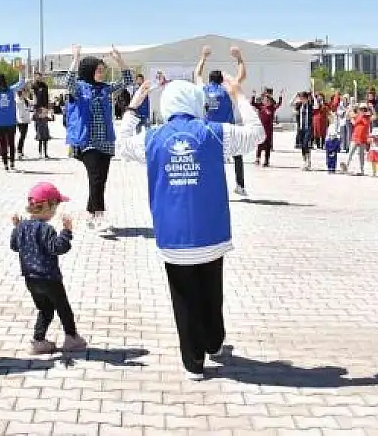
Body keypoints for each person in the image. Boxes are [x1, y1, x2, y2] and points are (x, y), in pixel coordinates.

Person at [116, 76, 264, 380]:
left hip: (172, 235)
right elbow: (256, 134)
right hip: (211, 230)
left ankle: (193, 362)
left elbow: (121, 144)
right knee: (212, 289)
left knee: (183, 297)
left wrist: (133, 105)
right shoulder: (214, 132)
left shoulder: (153, 138)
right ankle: (214, 342)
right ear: (196, 101)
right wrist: (238, 96)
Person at [10, 182, 87, 354]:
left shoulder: (22, 227)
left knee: (45, 309)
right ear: (47, 207)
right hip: (49, 278)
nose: (55, 212)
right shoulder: (46, 229)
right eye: (55, 207)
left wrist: (16, 228)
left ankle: (38, 340)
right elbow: (57, 248)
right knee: (63, 307)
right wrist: (66, 232)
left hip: (30, 278)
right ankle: (71, 337)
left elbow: (15, 246)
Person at [64, 45, 134, 227]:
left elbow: (127, 80)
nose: (102, 73)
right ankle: (100, 217)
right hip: (87, 142)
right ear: (88, 71)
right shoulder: (79, 89)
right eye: (98, 70)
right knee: (95, 177)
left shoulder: (105, 89)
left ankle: (91, 212)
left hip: (106, 142)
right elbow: (68, 81)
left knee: (100, 180)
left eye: (103, 70)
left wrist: (119, 59)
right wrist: (76, 58)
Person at [195, 45, 249, 196]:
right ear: (222, 80)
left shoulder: (204, 89)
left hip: (210, 130)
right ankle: (240, 185)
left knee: (208, 158)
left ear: (210, 79)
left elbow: (197, 74)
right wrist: (239, 58)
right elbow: (242, 76)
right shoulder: (228, 89)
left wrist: (203, 57)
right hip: (228, 129)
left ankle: (208, 187)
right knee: (237, 155)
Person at [252, 90, 282, 167]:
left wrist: (280, 95)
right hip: (261, 129)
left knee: (268, 146)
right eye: (265, 100)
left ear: (271, 101)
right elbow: (253, 103)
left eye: (268, 100)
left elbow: (279, 104)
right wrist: (254, 95)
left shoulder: (272, 108)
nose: (266, 101)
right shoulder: (261, 107)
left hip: (268, 130)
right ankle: (257, 159)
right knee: (260, 144)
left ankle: (266, 161)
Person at [294, 90, 316, 170]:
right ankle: (305, 161)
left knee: (306, 143)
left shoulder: (310, 105)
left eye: (303, 98)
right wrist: (295, 96)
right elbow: (290, 104)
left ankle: (307, 162)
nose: (302, 100)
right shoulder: (299, 105)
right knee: (303, 146)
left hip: (308, 128)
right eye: (301, 98)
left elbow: (316, 105)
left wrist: (312, 95)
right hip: (301, 128)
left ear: (307, 98)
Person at [15, 89, 33, 161]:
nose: (26, 94)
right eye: (25, 93)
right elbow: (18, 100)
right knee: (22, 135)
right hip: (20, 120)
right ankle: (19, 150)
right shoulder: (18, 100)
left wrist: (34, 94)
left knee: (23, 136)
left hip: (26, 120)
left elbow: (34, 102)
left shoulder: (26, 100)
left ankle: (20, 150)